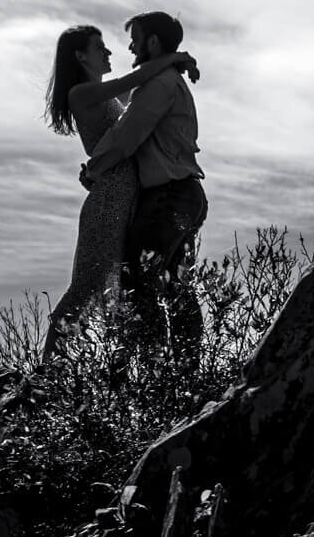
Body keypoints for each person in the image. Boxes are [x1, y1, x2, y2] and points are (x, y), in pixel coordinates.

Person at [41, 23, 197, 358]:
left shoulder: (106, 95)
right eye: (100, 47)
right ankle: (47, 368)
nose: (109, 51)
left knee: (127, 282)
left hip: (126, 195)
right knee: (86, 287)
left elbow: (139, 94)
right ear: (80, 56)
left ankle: (132, 366)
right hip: (109, 197)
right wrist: (176, 56)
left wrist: (171, 62)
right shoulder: (81, 93)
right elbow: (135, 81)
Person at [79, 11, 208, 350]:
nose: (131, 45)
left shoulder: (160, 85)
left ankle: (156, 370)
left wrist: (94, 170)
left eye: (135, 37)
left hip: (170, 197)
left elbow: (126, 136)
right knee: (174, 284)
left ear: (152, 42)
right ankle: (184, 365)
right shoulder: (166, 81)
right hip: (184, 195)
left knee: (137, 276)